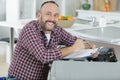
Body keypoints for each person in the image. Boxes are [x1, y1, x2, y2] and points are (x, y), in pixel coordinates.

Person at [8, 1, 96, 80]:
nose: (52, 19)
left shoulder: (57, 30)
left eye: (55, 15)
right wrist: (73, 48)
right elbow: (43, 56)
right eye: (48, 14)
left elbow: (75, 41)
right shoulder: (30, 29)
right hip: (18, 78)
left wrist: (91, 49)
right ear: (39, 15)